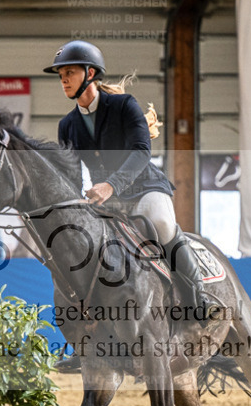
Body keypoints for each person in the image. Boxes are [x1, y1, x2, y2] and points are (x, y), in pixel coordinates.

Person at [45, 40, 208, 373]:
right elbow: (72, 172)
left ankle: (196, 299)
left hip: (145, 188)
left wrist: (110, 185)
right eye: (61, 74)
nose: (64, 79)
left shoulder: (124, 106)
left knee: (162, 225)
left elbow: (141, 152)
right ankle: (86, 339)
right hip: (108, 201)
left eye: (70, 72)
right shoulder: (68, 125)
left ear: (90, 74)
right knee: (84, 249)